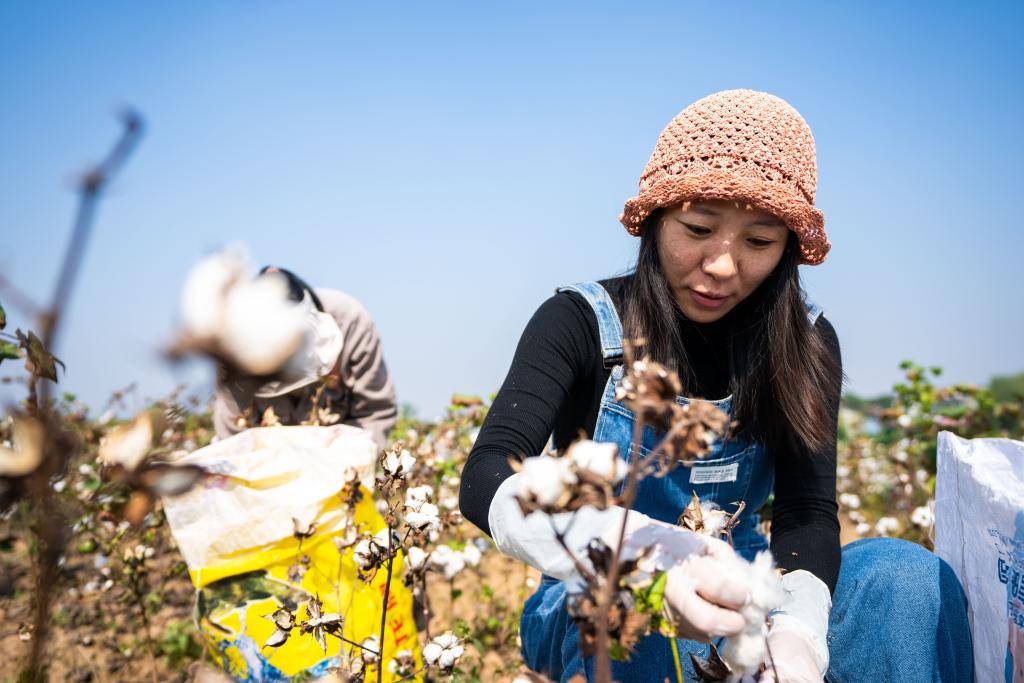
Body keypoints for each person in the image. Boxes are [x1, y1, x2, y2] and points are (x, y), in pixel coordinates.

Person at [458, 90, 973, 682]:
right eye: (699, 228)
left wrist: (798, 632)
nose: (723, 266)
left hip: (749, 584)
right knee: (643, 621)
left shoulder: (805, 342)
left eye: (758, 242)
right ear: (655, 221)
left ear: (786, 253)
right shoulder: (582, 322)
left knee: (904, 577)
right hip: (589, 586)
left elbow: (807, 511)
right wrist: (639, 559)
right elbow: (486, 473)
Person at [213, 266, 397, 450]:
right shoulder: (230, 348)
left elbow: (374, 414)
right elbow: (232, 437)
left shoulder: (350, 321)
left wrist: (348, 460)